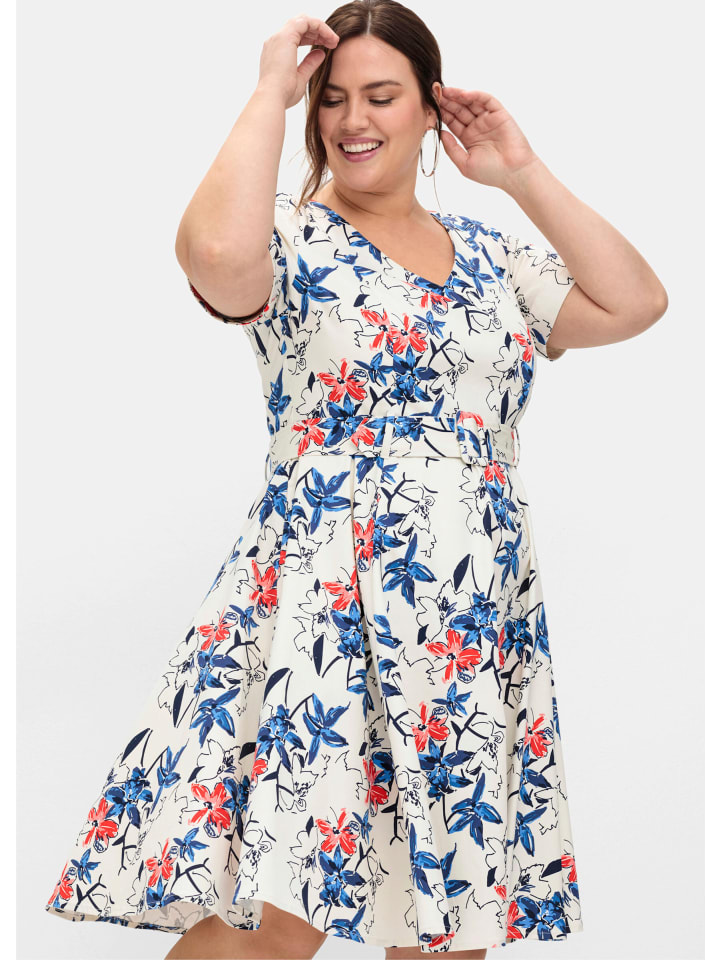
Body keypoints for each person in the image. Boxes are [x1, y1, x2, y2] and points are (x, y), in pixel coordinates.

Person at [44, 3, 668, 959]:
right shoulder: (288, 239)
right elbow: (216, 258)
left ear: (431, 109)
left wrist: (520, 171)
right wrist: (269, 90)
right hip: (323, 603)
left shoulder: (492, 256)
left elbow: (635, 301)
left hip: (461, 620)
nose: (352, 118)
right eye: (332, 99)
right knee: (276, 920)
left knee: (446, 925)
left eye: (382, 95)